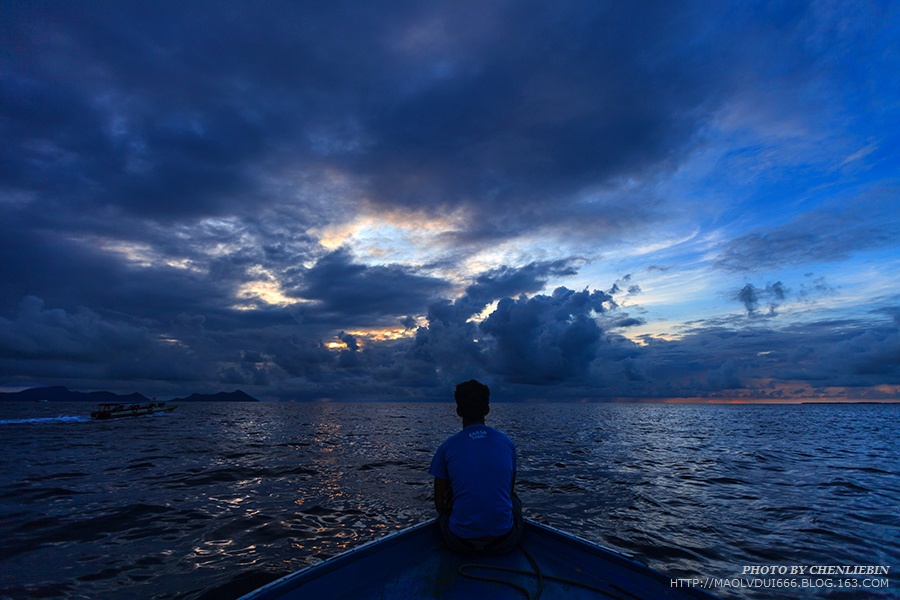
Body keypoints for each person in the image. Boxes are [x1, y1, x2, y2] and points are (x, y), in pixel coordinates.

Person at [429, 379, 524, 555]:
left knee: (448, 507)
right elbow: (509, 493)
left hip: (460, 543)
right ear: (487, 409)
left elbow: (440, 504)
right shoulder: (507, 443)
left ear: (458, 411)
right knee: (515, 501)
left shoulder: (447, 447)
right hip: (503, 542)